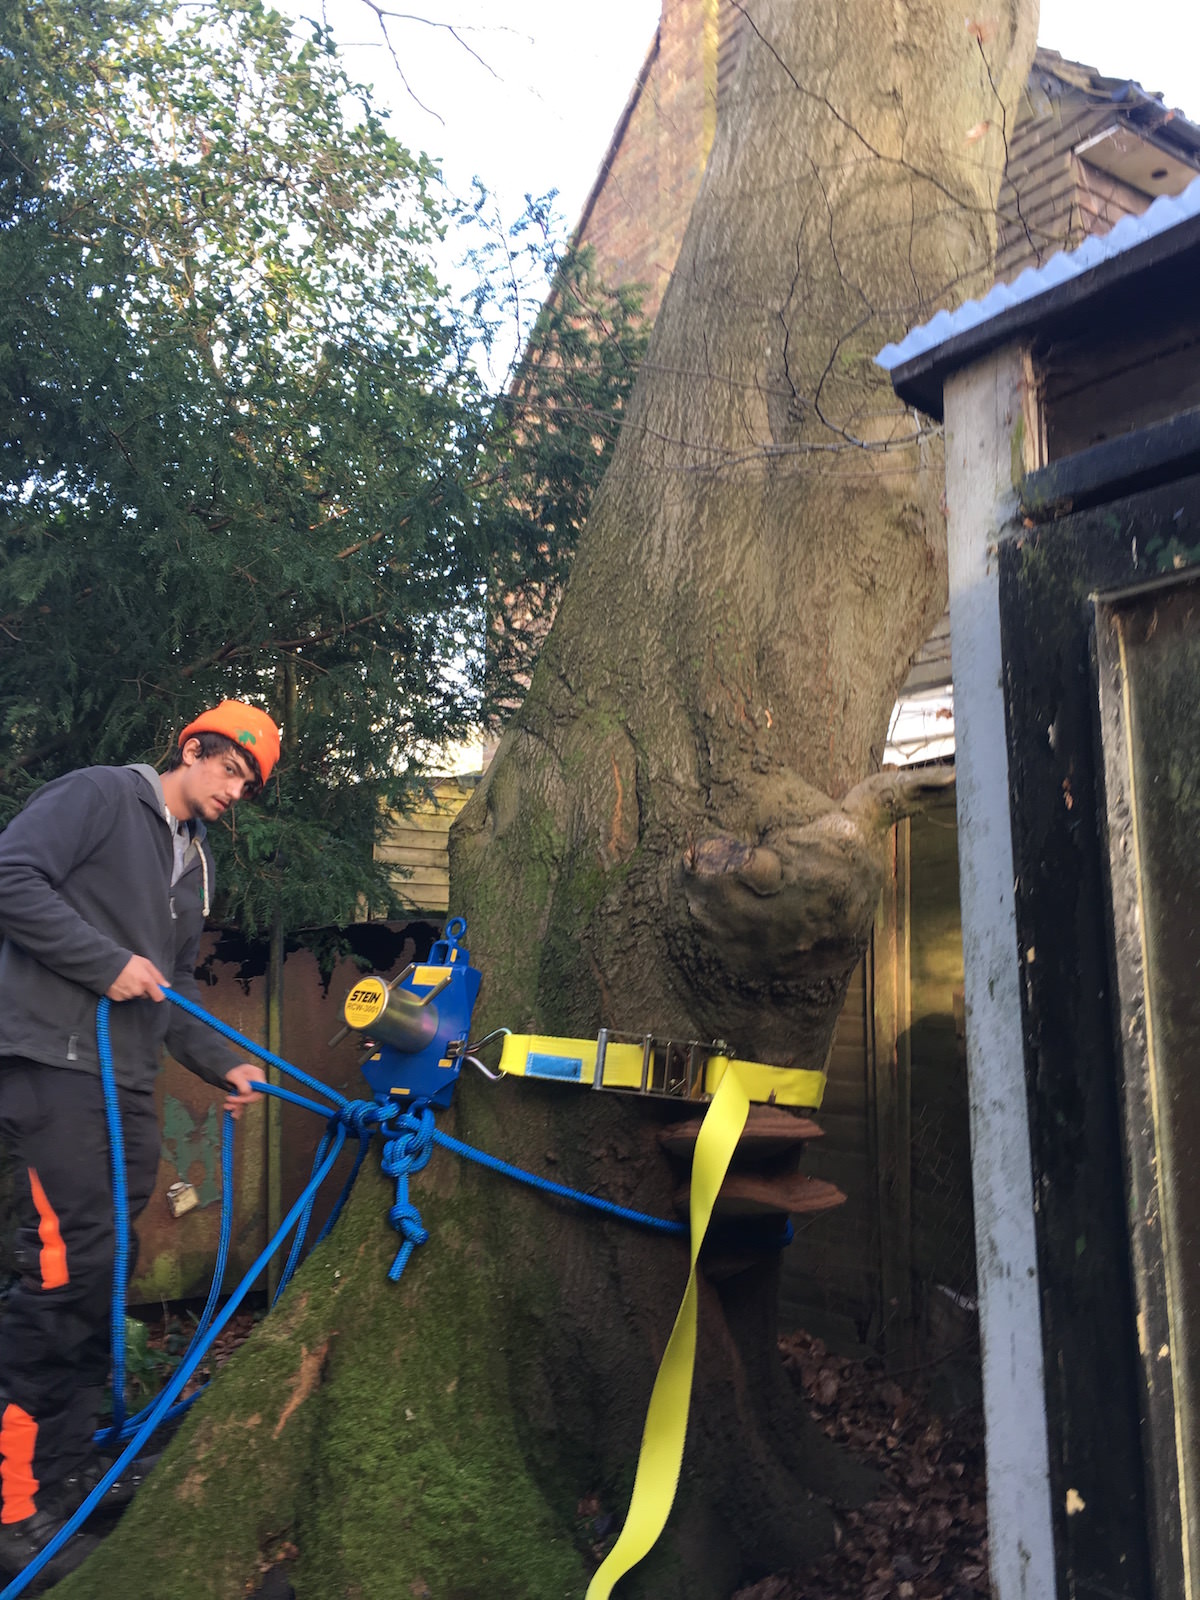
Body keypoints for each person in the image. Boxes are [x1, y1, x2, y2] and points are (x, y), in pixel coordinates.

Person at [0, 700, 278, 1583]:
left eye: (250, 782)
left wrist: (228, 1063)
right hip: (53, 1064)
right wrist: (102, 960)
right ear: (193, 749)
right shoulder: (100, 798)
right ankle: (8, 1505)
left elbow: (173, 991)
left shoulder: (190, 867)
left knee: (104, 1271)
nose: (238, 789)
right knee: (64, 1267)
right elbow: (10, 875)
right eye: (230, 768)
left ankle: (66, 1468)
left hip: (125, 1086)